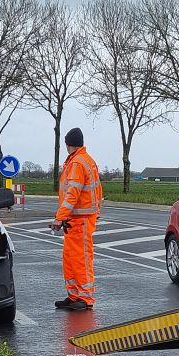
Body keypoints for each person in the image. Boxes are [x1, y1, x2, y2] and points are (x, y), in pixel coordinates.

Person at [51, 127, 103, 310]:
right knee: (71, 258)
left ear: (67, 144)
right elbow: (97, 191)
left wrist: (59, 217)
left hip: (79, 219)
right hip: (77, 219)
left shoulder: (77, 163)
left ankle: (85, 297)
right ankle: (74, 295)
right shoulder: (85, 160)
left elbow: (72, 194)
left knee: (80, 258)